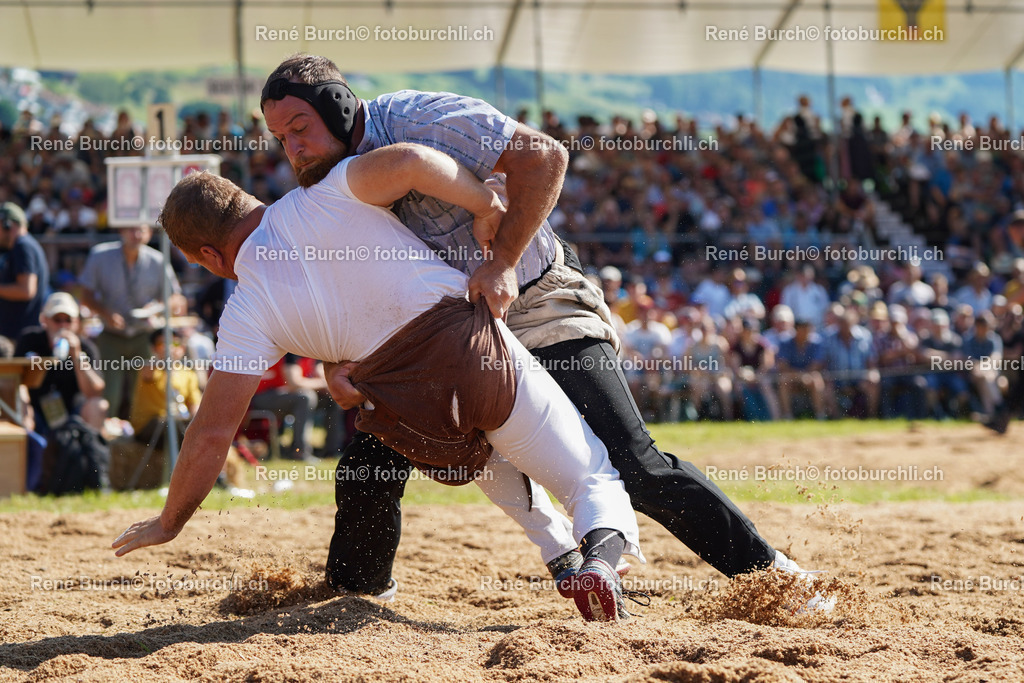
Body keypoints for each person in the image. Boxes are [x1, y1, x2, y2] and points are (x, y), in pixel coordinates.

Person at [259, 54, 821, 604]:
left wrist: (502, 261)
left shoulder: (418, 118)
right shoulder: (323, 190)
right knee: (368, 465)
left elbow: (545, 156)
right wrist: (337, 361)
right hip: (450, 338)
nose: (293, 148)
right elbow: (342, 283)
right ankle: (354, 595)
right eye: (281, 138)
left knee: (634, 464)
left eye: (300, 128)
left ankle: (780, 580)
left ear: (337, 108)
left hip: (537, 300)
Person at [112, 147, 643, 623]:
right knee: (591, 478)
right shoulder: (325, 192)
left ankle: (561, 557)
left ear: (208, 255)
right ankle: (598, 563)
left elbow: (210, 433)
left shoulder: (244, 313)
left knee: (485, 451)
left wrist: (170, 522)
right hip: (467, 352)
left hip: (409, 410)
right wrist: (485, 203)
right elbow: (411, 161)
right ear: (246, 200)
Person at [79, 225, 184, 419]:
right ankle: (106, 433)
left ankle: (140, 434)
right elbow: (85, 295)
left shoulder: (157, 260)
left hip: (144, 335)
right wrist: (106, 313)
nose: (136, 235)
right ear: (121, 231)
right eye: (131, 229)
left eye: (141, 230)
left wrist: (155, 309)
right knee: (110, 394)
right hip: (111, 335)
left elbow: (175, 297)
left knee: (144, 392)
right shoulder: (100, 256)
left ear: (149, 233)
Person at [130, 328, 201, 447]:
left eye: (175, 344)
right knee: (174, 426)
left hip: (177, 420)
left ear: (182, 348)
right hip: (149, 425)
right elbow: (148, 373)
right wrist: (164, 359)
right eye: (162, 344)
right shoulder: (149, 368)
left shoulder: (189, 374)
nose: (170, 347)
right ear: (153, 348)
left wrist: (200, 422)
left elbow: (195, 405)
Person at [0, 202, 50, 340]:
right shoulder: (24, 245)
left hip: (18, 336)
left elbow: (26, 290)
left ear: (7, 225)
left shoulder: (23, 246)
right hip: (19, 333)